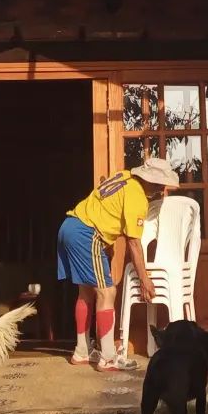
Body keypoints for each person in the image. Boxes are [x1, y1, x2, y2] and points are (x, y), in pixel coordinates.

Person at [56, 157, 180, 371]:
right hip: (87, 234)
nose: (161, 189)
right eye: (160, 184)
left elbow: (106, 209)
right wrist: (145, 279)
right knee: (108, 293)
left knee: (85, 292)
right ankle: (108, 357)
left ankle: (82, 352)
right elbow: (134, 243)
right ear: (150, 181)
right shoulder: (137, 198)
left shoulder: (123, 176)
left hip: (69, 226)